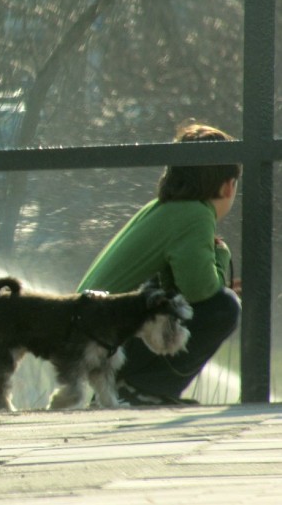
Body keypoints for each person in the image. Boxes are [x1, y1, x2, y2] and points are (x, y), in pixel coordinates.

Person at [77, 122, 242, 405]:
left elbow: (181, 285)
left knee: (187, 298)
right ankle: (142, 391)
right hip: (104, 337)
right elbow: (200, 291)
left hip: (88, 330)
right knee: (223, 307)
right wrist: (222, 255)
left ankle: (127, 389)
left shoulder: (163, 208)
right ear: (228, 186)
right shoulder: (195, 214)